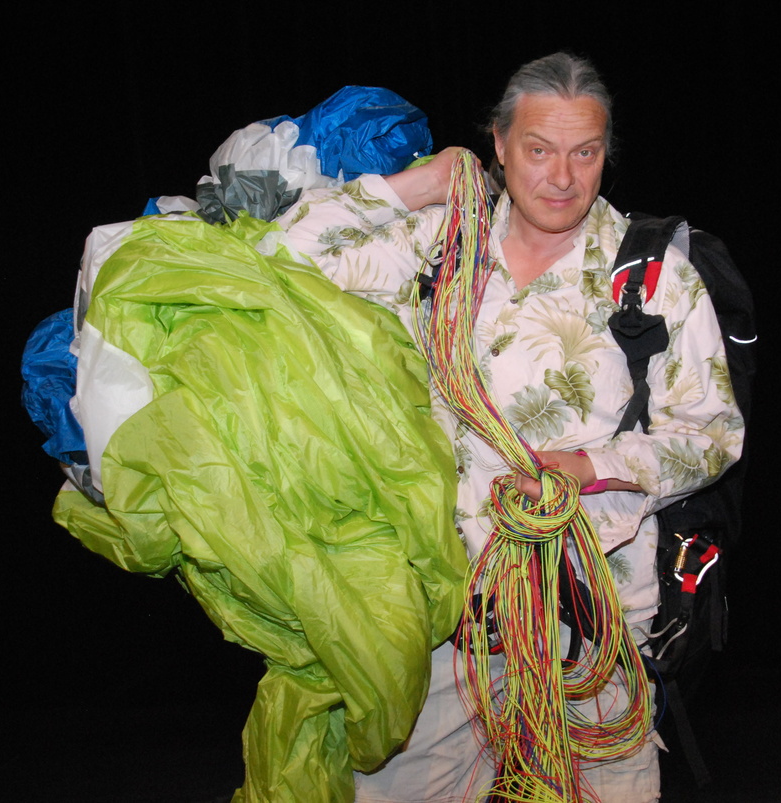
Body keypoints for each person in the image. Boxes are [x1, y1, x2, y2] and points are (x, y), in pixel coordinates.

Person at [277, 52, 743, 803]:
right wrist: (414, 186)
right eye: (538, 149)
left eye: (584, 152)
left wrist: (589, 467)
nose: (562, 176)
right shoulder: (440, 247)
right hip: (447, 618)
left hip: (594, 624)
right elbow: (284, 254)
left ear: (606, 154)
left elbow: (713, 434)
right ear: (497, 144)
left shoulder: (652, 277)